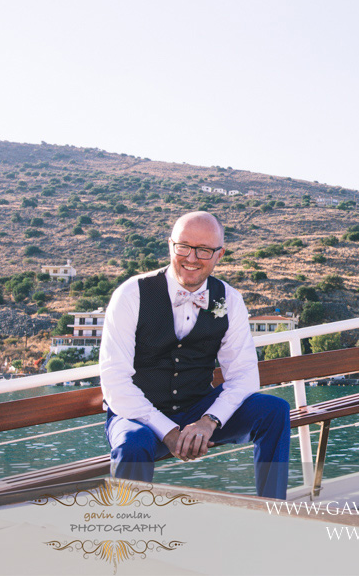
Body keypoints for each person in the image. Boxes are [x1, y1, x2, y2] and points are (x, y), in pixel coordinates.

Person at [99, 211, 290, 499]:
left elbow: (244, 376)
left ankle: (273, 510)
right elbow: (115, 384)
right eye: (184, 246)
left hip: (199, 408)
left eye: (203, 250)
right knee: (132, 445)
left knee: (274, 411)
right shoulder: (131, 295)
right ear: (170, 245)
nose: (191, 258)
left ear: (219, 254)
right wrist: (169, 431)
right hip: (138, 415)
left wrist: (209, 420)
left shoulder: (230, 300)